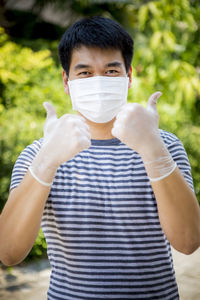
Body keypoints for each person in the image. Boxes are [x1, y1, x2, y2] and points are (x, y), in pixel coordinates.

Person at [0, 16, 200, 300]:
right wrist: (46, 163)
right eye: (84, 73)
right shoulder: (38, 154)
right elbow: (8, 252)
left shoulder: (164, 145)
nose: (98, 81)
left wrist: (153, 150)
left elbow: (189, 242)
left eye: (110, 71)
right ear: (66, 81)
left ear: (128, 77)